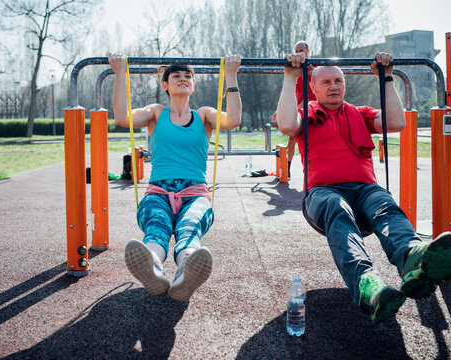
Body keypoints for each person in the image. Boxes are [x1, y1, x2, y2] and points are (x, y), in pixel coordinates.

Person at [276, 51, 451, 324]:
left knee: (384, 203)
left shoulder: (358, 113)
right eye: (326, 82)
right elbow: (285, 123)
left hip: (365, 191)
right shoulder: (308, 114)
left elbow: (396, 122)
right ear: (313, 88)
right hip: (323, 194)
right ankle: (368, 286)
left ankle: (412, 258)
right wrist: (289, 76)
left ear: (344, 85)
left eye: (338, 81)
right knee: (336, 207)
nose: (333, 86)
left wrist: (387, 78)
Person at [108, 52, 242, 301]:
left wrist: (231, 75)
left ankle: (186, 271)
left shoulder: (204, 115)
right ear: (165, 85)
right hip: (158, 191)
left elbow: (233, 119)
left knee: (189, 228)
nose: (183, 78)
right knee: (156, 229)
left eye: (188, 76)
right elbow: (122, 118)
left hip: (195, 193)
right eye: (176, 75)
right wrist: (119, 74)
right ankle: (153, 268)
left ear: (193, 83)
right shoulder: (156, 113)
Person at [272, 41, 317, 179]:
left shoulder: (315, 69)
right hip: (301, 109)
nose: (299, 53)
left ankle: (312, 170)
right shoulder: (295, 71)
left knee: (313, 141)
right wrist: (280, 110)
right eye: (296, 51)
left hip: (315, 109)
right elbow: (294, 95)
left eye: (301, 51)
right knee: (291, 139)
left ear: (308, 52)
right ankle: (288, 168)